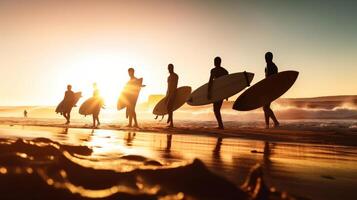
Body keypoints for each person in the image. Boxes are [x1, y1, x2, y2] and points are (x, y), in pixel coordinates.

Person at [207, 57, 229, 129]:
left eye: (215, 61)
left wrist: (208, 92)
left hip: (216, 92)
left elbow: (210, 81)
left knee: (216, 109)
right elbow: (227, 84)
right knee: (217, 109)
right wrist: (227, 94)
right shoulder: (225, 71)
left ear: (216, 62)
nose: (214, 62)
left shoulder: (213, 70)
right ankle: (220, 125)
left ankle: (221, 125)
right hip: (222, 92)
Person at [263, 52, 280, 128]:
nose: (266, 59)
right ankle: (267, 125)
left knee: (265, 107)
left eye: (267, 57)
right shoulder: (266, 67)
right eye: (266, 57)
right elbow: (266, 79)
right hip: (267, 89)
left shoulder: (273, 66)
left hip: (271, 89)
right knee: (265, 107)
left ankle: (276, 122)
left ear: (271, 58)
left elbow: (275, 79)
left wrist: (274, 90)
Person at [166, 64, 178, 128]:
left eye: (170, 68)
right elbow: (168, 87)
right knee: (170, 108)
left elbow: (175, 85)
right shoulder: (168, 77)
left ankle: (169, 117)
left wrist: (172, 93)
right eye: (168, 68)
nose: (169, 69)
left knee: (169, 107)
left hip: (173, 93)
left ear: (172, 68)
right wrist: (166, 94)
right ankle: (171, 123)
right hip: (169, 93)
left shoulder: (175, 76)